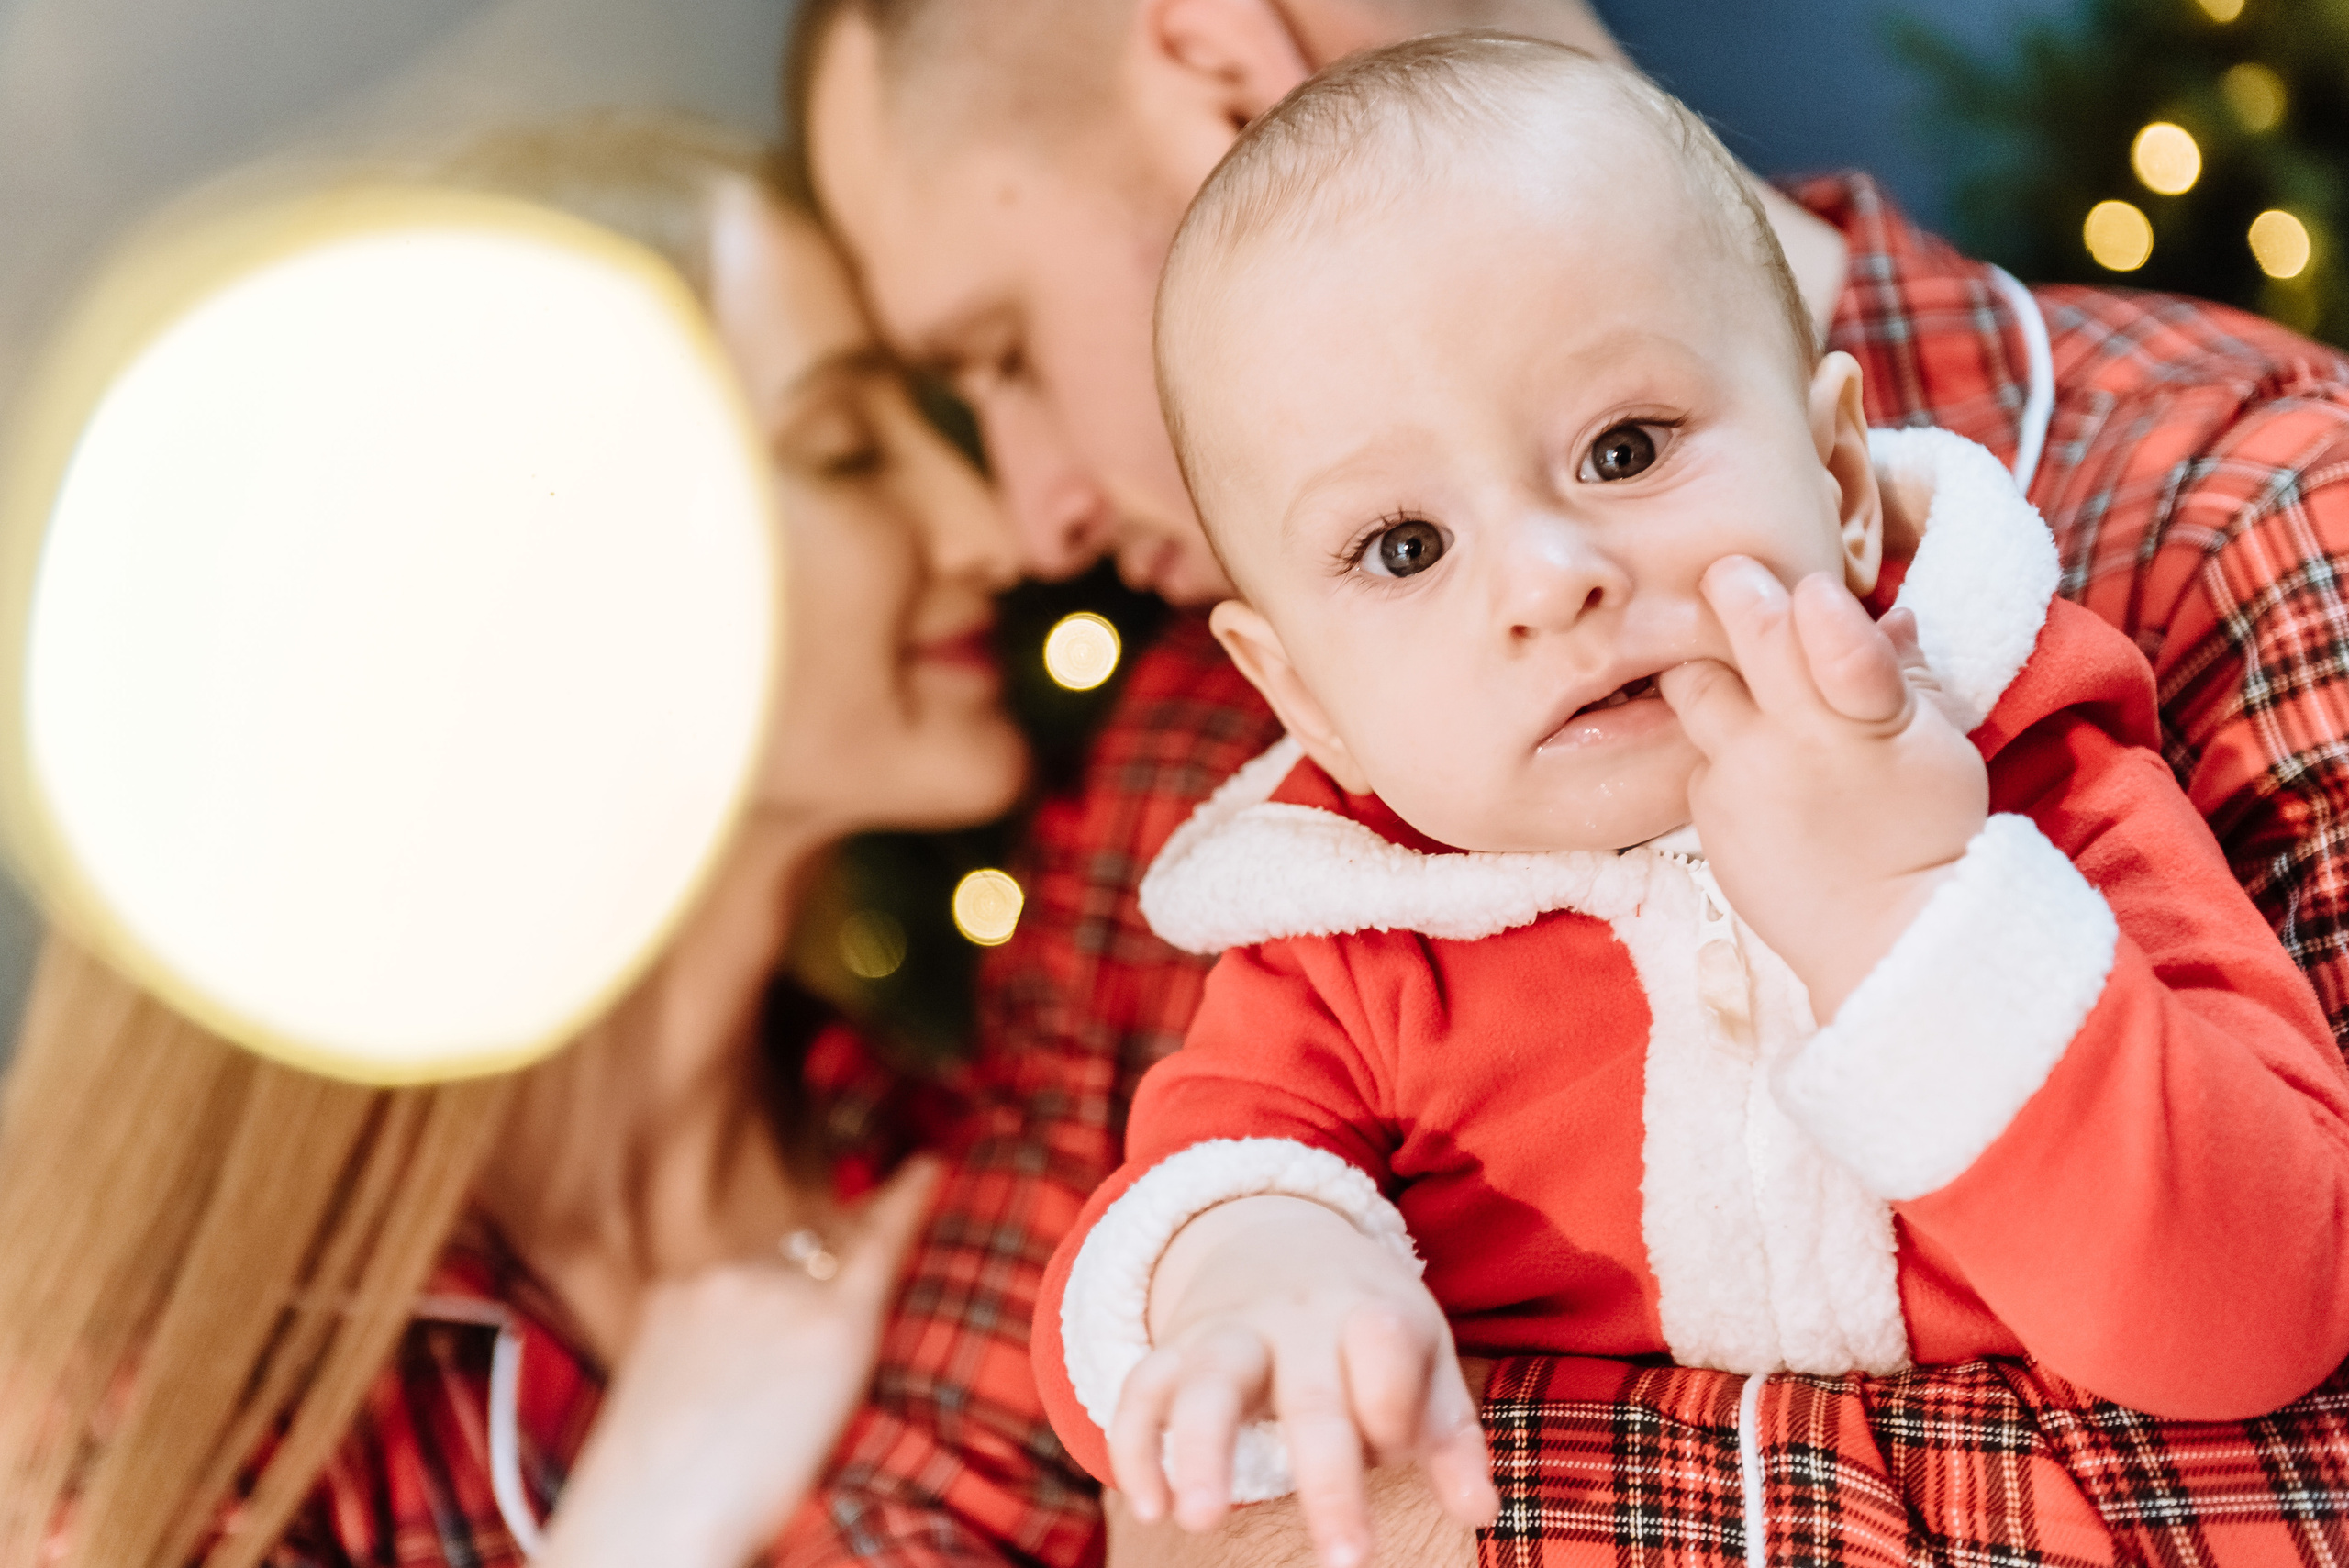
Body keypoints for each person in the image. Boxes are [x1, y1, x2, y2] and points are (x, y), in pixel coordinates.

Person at [776, 3, 2349, 1566]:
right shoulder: (1312, 901)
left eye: (1625, 448)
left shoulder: (2069, 713)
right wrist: (1250, 1270)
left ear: (1848, 481)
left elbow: (2290, 1357)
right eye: (1404, 546)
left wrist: (1921, 923)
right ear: (1300, 693)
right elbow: (1031, 1400)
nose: (1546, 582)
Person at [0, 111, 1030, 1568]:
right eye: (849, 449)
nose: (992, 528)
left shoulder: (977, 1169)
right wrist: (647, 1528)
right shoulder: (181, 1371)